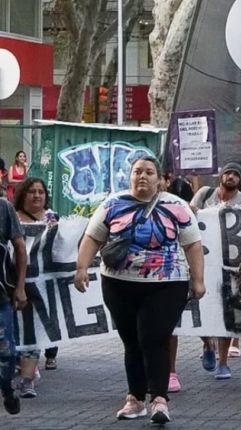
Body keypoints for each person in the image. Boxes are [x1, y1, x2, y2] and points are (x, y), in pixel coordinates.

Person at [73, 155, 206, 424]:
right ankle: (134, 398)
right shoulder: (112, 204)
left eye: (148, 172)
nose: (142, 177)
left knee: (153, 337)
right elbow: (92, 237)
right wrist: (81, 268)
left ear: (160, 179)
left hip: (166, 284)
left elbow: (193, 245)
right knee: (131, 340)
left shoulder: (177, 206)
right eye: (136, 172)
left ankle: (159, 398)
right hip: (119, 284)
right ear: (130, 176)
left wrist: (198, 280)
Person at [190, 161, 241, 381]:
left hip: (229, 265)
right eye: (228, 173)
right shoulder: (204, 194)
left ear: (240, 179)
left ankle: (223, 363)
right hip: (204, 262)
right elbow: (189, 217)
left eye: (236, 174)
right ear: (221, 177)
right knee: (201, 308)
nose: (232, 177)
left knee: (227, 313)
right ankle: (208, 343)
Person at [12, 178, 59, 399]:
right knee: (12, 330)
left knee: (33, 331)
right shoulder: (10, 217)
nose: (37, 196)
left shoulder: (53, 219)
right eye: (32, 191)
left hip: (41, 285)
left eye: (41, 192)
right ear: (23, 194)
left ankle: (28, 379)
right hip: (11, 283)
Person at [0, 195, 27, 415]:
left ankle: (7, 388)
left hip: (1, 294)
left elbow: (19, 247)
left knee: (7, 352)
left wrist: (20, 286)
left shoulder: (4, 208)